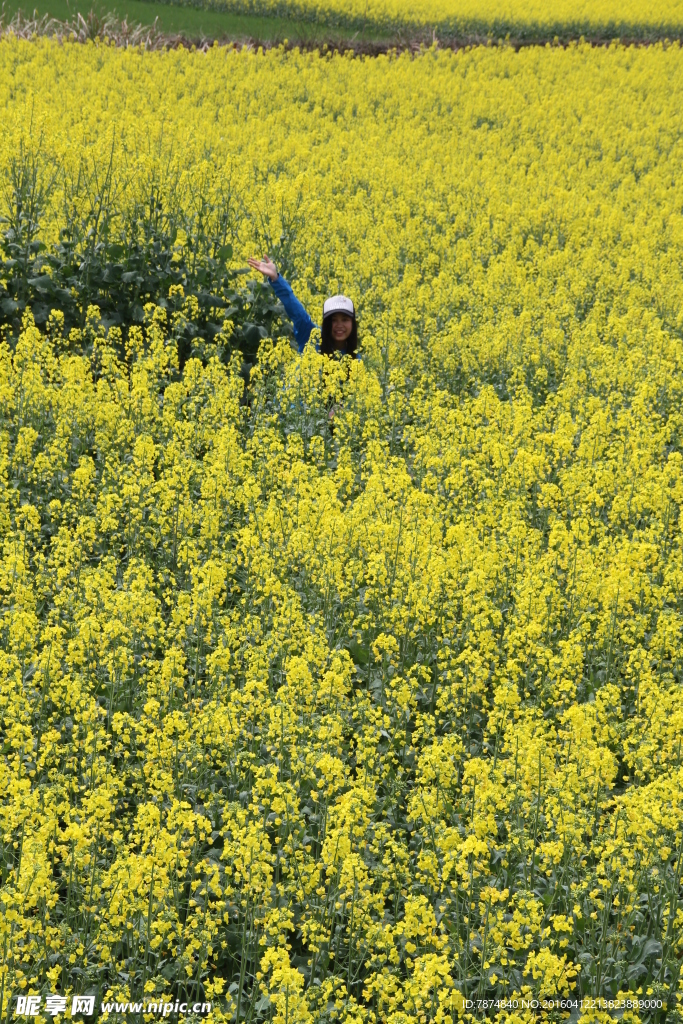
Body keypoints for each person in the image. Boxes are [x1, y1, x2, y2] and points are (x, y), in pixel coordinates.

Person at [247, 255, 359, 358]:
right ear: (326, 322)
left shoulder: (356, 360)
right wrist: (276, 279)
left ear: (353, 323)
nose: (339, 325)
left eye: (345, 320)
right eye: (334, 320)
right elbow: (298, 313)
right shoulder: (311, 337)